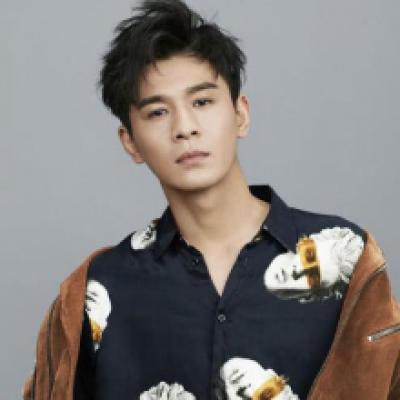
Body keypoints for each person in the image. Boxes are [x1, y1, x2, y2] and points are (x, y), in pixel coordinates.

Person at [22, 0, 400, 399]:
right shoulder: (97, 290)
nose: (185, 128)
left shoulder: (344, 257)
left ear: (240, 114)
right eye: (157, 112)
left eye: (202, 102)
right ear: (130, 142)